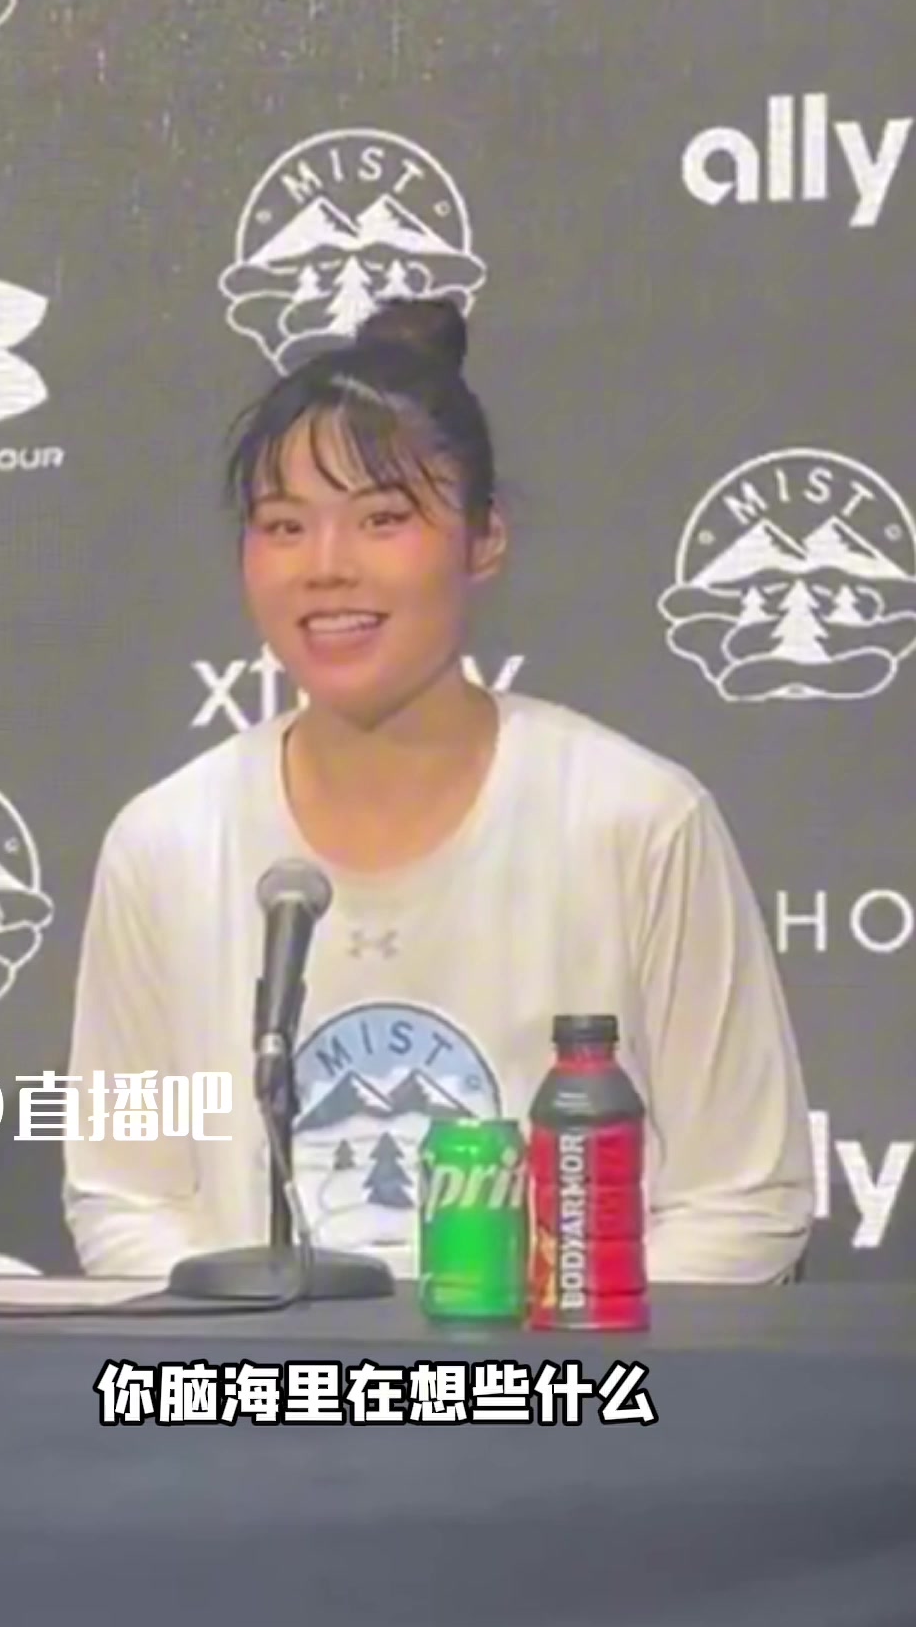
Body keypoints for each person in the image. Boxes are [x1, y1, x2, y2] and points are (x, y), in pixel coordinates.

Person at [63, 297, 815, 1282]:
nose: (326, 568)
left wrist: (544, 1354)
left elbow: (743, 1200)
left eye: (382, 520)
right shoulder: (163, 844)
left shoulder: (637, 820)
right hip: (256, 1379)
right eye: (283, 526)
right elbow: (127, 1197)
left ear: (484, 538)